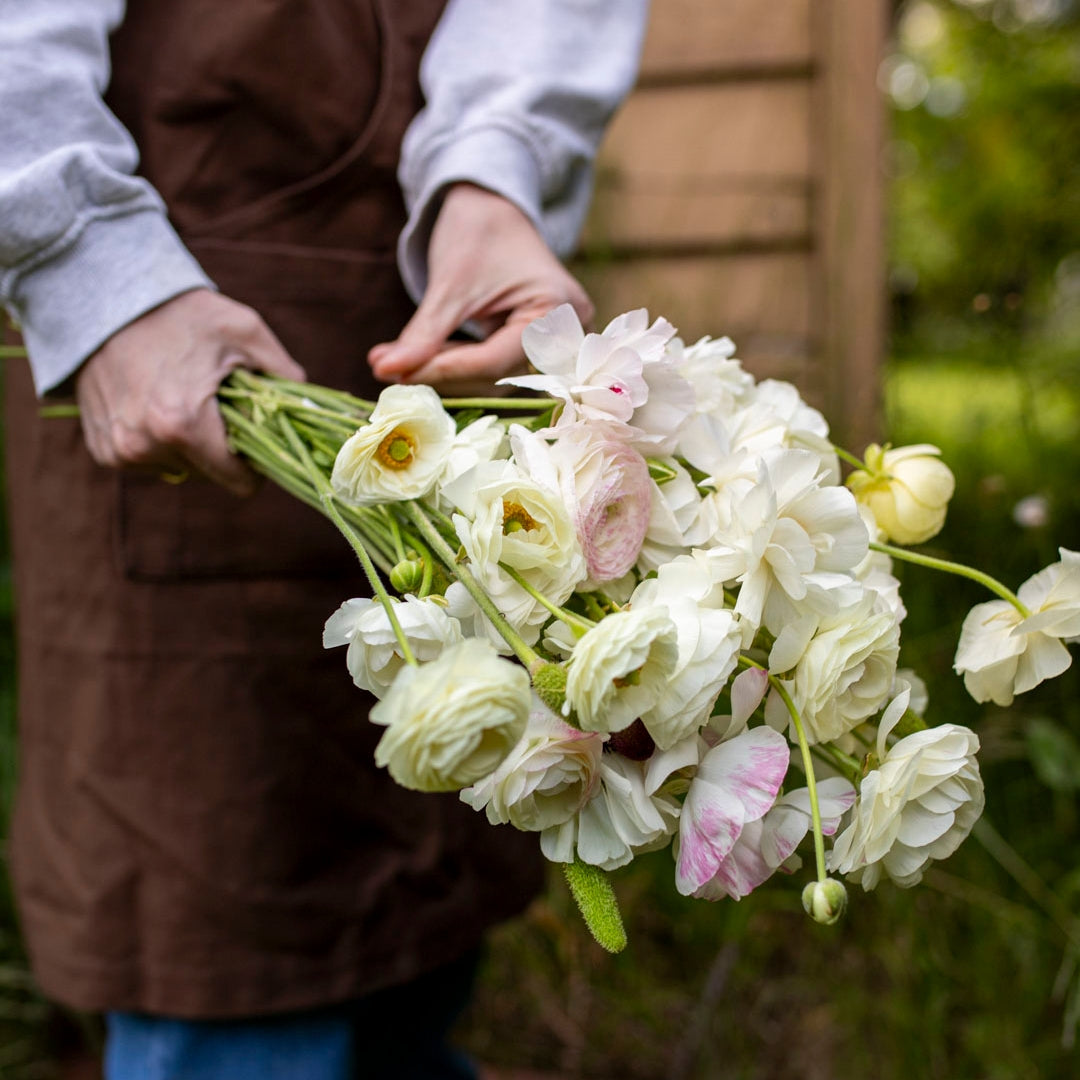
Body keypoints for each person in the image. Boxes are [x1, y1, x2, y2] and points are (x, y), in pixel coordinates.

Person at [0, 1, 650, 1076]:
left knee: (415, 949)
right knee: (230, 935)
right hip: (175, 341)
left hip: (434, 321)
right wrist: (94, 269)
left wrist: (493, 170)